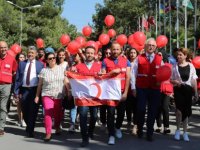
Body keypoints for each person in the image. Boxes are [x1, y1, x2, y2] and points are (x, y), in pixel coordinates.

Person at [131, 38, 163, 141]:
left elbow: (164, 72)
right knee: (140, 110)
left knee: (152, 111)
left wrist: (161, 80)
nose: (151, 47)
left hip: (155, 89)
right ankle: (140, 129)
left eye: (153, 46)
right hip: (142, 88)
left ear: (155, 47)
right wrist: (133, 88)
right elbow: (133, 74)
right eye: (149, 45)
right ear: (145, 46)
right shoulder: (139, 58)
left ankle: (150, 133)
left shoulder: (159, 58)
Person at [34, 52, 70, 142]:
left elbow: (65, 81)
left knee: (58, 115)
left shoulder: (61, 69)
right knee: (48, 112)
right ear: (47, 60)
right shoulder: (44, 71)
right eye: (50, 58)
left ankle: (57, 126)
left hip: (58, 95)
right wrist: (37, 96)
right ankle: (48, 133)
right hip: (47, 94)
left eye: (53, 57)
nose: (52, 59)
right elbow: (39, 85)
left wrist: (69, 91)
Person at [102, 42, 131, 144]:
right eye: (114, 49)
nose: (115, 51)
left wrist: (126, 93)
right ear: (111, 50)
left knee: (121, 113)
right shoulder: (105, 61)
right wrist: (111, 73)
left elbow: (128, 77)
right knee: (110, 113)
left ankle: (118, 127)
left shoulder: (126, 61)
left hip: (122, 91)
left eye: (117, 49)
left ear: (121, 50)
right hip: (110, 92)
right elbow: (102, 77)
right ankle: (111, 135)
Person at [73, 46, 102, 147]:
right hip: (83, 97)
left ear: (94, 55)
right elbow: (72, 77)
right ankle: (84, 138)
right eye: (88, 53)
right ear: (85, 54)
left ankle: (90, 131)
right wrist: (70, 72)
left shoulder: (99, 66)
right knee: (83, 116)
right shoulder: (78, 66)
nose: (89, 55)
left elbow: (104, 78)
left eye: (91, 53)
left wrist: (103, 74)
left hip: (95, 96)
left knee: (94, 116)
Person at [14, 46, 44, 137]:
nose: (30, 54)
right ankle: (29, 125)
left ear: (35, 54)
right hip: (24, 90)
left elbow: (42, 79)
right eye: (29, 53)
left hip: (35, 90)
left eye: (32, 53)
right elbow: (18, 78)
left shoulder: (40, 65)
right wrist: (16, 91)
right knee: (24, 109)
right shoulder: (22, 64)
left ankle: (31, 130)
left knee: (34, 111)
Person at [171, 48, 198, 142]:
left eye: (180, 55)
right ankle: (178, 130)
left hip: (188, 90)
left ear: (185, 56)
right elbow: (170, 79)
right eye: (178, 55)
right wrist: (175, 81)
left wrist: (196, 92)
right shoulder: (174, 66)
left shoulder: (191, 66)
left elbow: (193, 80)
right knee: (178, 111)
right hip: (178, 90)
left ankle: (185, 132)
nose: (178, 56)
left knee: (186, 112)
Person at [0, 41, 18, 136]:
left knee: (3, 106)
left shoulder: (12, 59)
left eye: (5, 47)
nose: (3, 49)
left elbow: (14, 71)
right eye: (1, 47)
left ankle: (1, 127)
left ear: (7, 48)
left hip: (6, 85)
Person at [126, 48, 138, 134]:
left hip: (137, 87)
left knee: (136, 107)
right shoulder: (126, 62)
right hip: (127, 87)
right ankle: (129, 121)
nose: (132, 54)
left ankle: (135, 125)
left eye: (134, 52)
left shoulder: (138, 63)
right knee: (128, 107)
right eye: (131, 52)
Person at [15, 53, 27, 127]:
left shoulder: (26, 65)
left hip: (24, 87)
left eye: (22, 57)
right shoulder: (16, 65)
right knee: (19, 104)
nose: (21, 59)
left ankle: (23, 119)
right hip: (18, 87)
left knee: (23, 104)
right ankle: (20, 119)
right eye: (20, 57)